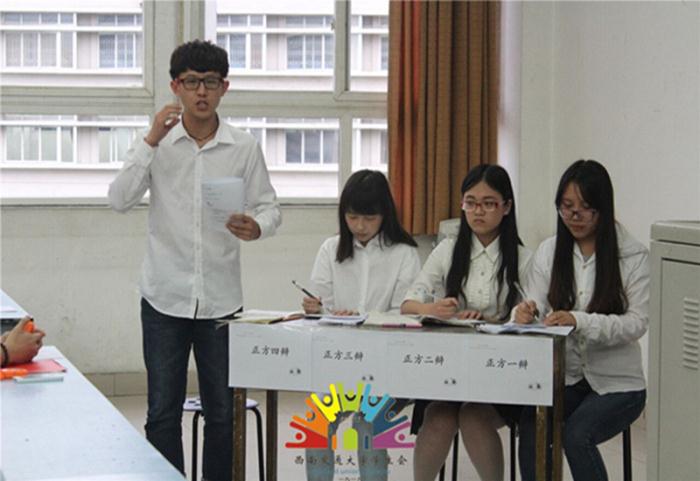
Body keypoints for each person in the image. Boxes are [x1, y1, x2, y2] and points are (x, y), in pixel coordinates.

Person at [108, 40, 281, 481]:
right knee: (162, 414)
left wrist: (258, 226)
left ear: (224, 87)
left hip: (221, 303)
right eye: (191, 82)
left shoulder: (243, 146)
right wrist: (150, 140)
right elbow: (119, 199)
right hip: (164, 298)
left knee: (222, 414)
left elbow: (269, 207)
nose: (201, 91)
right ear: (175, 87)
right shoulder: (157, 143)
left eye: (210, 82)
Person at [514, 159, 648, 481]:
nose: (574, 216)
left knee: (577, 435)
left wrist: (579, 321)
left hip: (619, 385)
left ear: (604, 208)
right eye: (566, 207)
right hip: (568, 378)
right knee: (531, 427)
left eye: (585, 208)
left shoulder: (632, 255)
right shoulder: (549, 251)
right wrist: (525, 313)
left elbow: (636, 323)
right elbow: (534, 302)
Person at [401, 164, 530, 481]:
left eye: (488, 203)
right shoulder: (447, 250)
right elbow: (408, 304)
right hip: (450, 364)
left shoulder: (524, 258)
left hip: (499, 367)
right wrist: (435, 309)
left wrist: (498, 319)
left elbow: (533, 316)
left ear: (506, 207)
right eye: (470, 203)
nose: (478, 211)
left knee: (473, 416)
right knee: (439, 417)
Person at [302, 169, 420, 481]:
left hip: (387, 365)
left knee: (367, 421)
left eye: (369, 218)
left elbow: (406, 315)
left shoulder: (404, 253)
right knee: (317, 418)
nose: (360, 226)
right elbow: (321, 308)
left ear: (385, 214)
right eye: (352, 217)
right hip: (340, 362)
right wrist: (317, 310)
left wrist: (362, 318)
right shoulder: (331, 249)